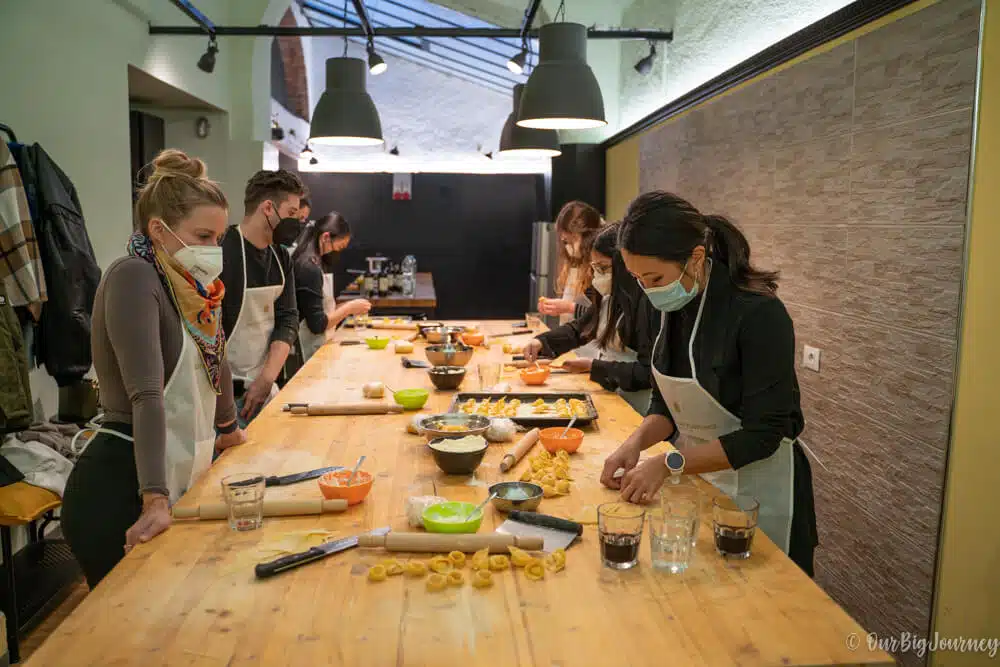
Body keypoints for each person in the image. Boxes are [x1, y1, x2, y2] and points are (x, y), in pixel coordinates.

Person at [600, 191, 818, 576]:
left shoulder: (759, 314)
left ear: (696, 258)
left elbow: (764, 433)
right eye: (638, 279)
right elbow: (667, 404)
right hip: (702, 480)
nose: (648, 290)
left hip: (763, 487)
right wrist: (633, 444)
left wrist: (668, 463)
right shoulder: (666, 308)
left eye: (655, 278)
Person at [62, 150, 247, 586]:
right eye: (203, 235)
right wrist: (154, 499)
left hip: (171, 472)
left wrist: (230, 429)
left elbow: (212, 358)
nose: (213, 250)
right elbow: (146, 394)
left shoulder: (190, 286)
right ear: (159, 230)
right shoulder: (134, 276)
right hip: (122, 485)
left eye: (219, 239)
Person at [522, 223, 658, 415]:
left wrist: (595, 367)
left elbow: (647, 373)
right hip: (614, 396)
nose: (596, 276)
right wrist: (542, 342)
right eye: (594, 268)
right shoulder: (609, 297)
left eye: (603, 268)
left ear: (626, 266)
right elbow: (580, 329)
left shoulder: (646, 306)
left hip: (640, 406)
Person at [220, 170, 304, 425]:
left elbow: (288, 318)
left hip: (265, 390)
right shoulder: (223, 250)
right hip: (223, 397)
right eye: (291, 213)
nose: (296, 223)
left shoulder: (281, 258)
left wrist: (266, 380)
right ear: (268, 208)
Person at [291, 212, 371, 361]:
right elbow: (318, 324)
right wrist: (350, 308)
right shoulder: (309, 268)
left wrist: (344, 306)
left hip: (319, 344)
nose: (338, 253)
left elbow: (318, 307)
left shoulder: (316, 261)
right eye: (339, 247)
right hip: (306, 350)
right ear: (326, 237)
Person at [538, 200, 604, 324]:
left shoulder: (600, 269)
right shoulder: (575, 264)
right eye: (565, 241)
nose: (567, 247)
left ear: (588, 236)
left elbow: (602, 315)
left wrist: (568, 307)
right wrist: (559, 308)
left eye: (570, 240)